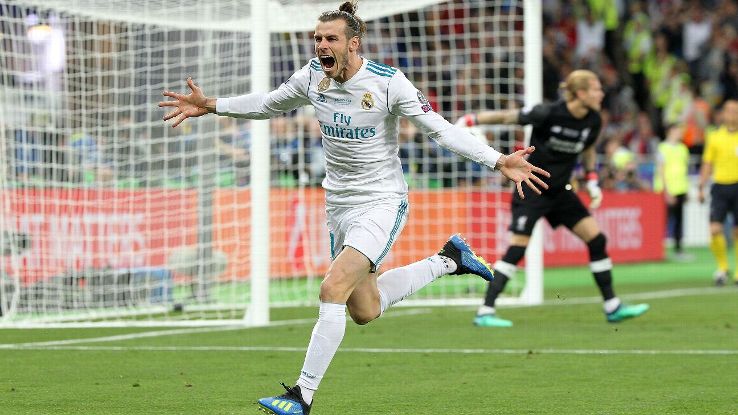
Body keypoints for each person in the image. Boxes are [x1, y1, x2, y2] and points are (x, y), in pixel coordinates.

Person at [158, 3, 550, 414]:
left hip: (381, 201)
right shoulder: (312, 76)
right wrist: (213, 104)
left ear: (353, 44)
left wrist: (498, 159)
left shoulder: (387, 83)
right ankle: (448, 260)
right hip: (338, 205)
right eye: (318, 38)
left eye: (331, 39)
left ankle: (301, 396)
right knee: (364, 309)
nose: (321, 46)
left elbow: (441, 130)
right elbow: (268, 104)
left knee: (331, 289)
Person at [457, 69, 650, 328]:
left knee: (597, 239)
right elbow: (508, 116)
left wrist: (592, 180)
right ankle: (485, 311)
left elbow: (589, 149)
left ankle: (612, 306)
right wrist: (472, 119)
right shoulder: (548, 113)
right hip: (532, 189)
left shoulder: (593, 120)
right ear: (581, 93)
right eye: (596, 89)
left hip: (561, 192)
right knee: (517, 249)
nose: (601, 93)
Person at [698, 100, 738, 286]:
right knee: (715, 229)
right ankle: (723, 267)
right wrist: (701, 185)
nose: (732, 114)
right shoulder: (714, 137)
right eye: (729, 110)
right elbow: (708, 162)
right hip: (720, 186)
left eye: (735, 111)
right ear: (723, 114)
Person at [654, 125, 692, 261]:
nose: (679, 133)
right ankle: (658, 250)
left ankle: (678, 249)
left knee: (679, 220)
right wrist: (666, 191)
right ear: (669, 132)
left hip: (680, 187)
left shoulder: (683, 149)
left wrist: (687, 188)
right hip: (667, 189)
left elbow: (685, 169)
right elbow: (661, 169)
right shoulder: (662, 148)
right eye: (677, 131)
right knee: (662, 220)